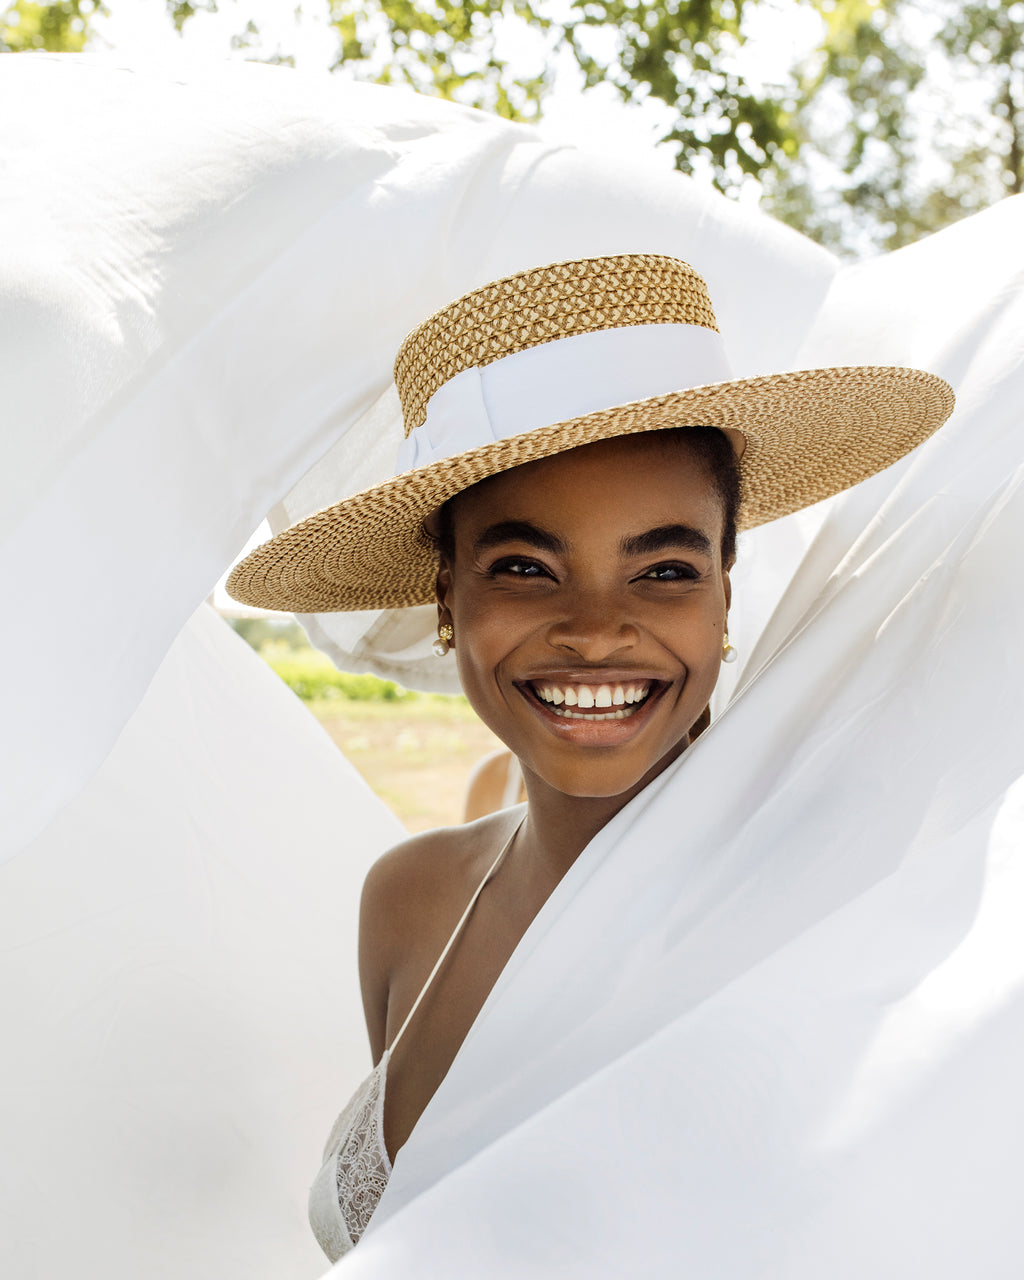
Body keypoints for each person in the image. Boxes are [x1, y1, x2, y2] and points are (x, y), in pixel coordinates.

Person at [226, 253, 953, 1261]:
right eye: (525, 566)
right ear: (448, 599)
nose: (597, 629)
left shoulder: (812, 896)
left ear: (724, 591)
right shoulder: (409, 897)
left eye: (662, 569)